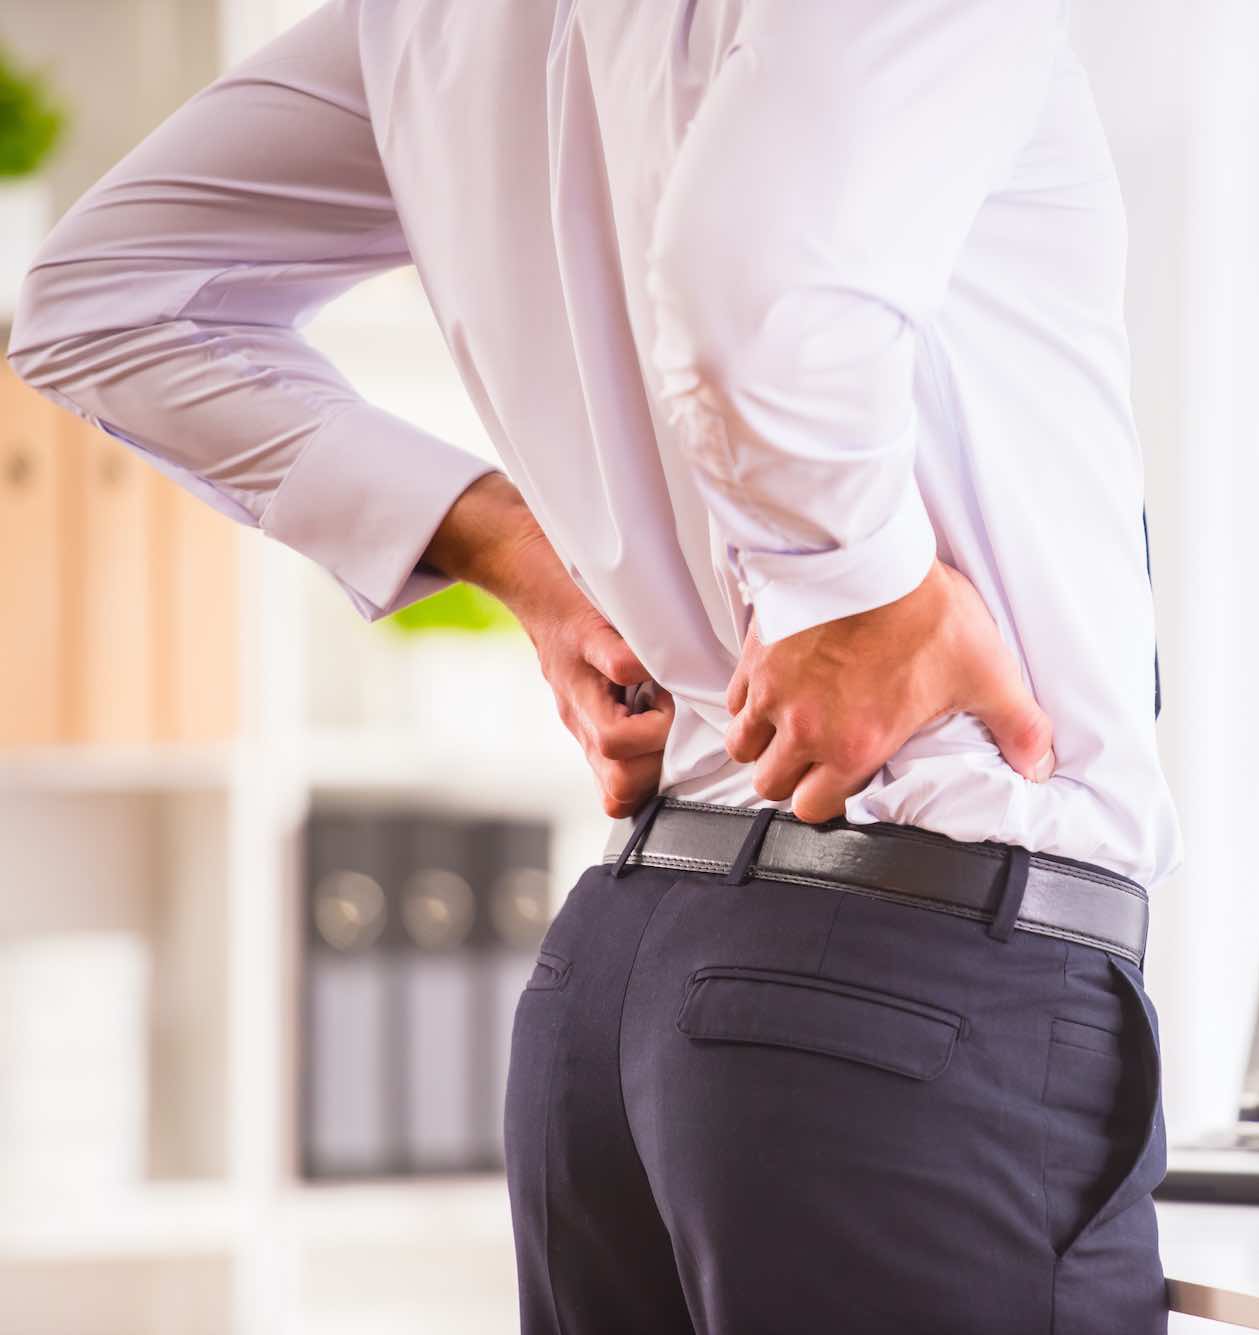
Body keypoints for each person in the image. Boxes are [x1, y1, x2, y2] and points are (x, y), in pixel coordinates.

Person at [8, 1, 1182, 1330]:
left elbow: (102, 294)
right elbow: (758, 277)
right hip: (899, 991)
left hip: (628, 987)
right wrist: (858, 587)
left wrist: (504, 540)